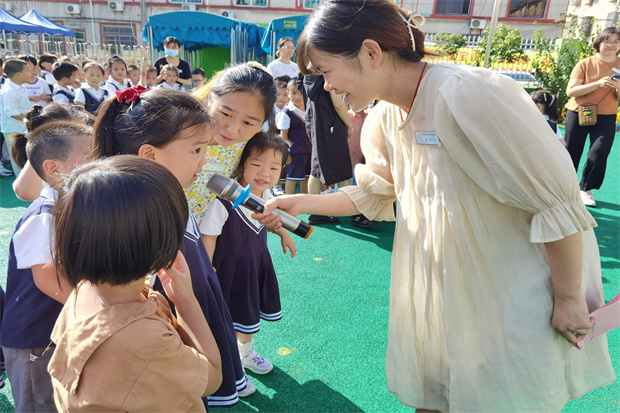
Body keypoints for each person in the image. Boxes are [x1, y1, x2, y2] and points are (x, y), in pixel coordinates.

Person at [255, 1, 616, 412]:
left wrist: (569, 297)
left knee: (499, 399)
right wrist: (300, 201)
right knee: (435, 395)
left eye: (325, 70)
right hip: (444, 288)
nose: (325, 85)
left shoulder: (469, 92)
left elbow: (556, 202)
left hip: (509, 287)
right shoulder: (385, 117)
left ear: (371, 53)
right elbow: (376, 192)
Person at [93, 87, 255, 406]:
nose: (204, 160)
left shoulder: (168, 192)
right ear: (150, 155)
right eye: (196, 150)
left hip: (191, 299)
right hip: (174, 318)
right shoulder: (138, 215)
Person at [48, 156, 222, 412]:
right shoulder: (141, 338)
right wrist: (185, 299)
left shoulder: (84, 289)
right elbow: (212, 378)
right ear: (161, 246)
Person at [2, 121, 91, 413]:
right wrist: (98, 310)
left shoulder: (68, 207)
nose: (101, 164)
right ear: (54, 169)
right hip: (35, 338)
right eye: (92, 157)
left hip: (55, 329)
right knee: (40, 404)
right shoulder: (44, 217)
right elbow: (48, 281)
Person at [201, 133, 295, 376]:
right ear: (242, 163)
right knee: (228, 315)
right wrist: (207, 268)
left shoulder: (268, 197)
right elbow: (209, 235)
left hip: (255, 264)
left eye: (274, 167)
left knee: (249, 311)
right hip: (228, 268)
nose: (265, 173)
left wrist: (283, 233)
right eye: (257, 164)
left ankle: (245, 352)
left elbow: (271, 220)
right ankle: (228, 359)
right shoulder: (224, 200)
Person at [187, 62, 277, 224]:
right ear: (211, 96)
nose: (232, 130)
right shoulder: (180, 130)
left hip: (207, 234)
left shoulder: (250, 143)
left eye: (248, 123)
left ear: (262, 122)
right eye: (226, 114)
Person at [565, 26, 620, 208]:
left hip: (607, 116)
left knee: (599, 152)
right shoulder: (585, 63)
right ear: (599, 43)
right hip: (578, 112)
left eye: (616, 41)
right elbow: (571, 91)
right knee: (570, 151)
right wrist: (597, 84)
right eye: (607, 41)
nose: (611, 45)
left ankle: (585, 188)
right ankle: (563, 187)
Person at [299, 74, 352, 225]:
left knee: (316, 167)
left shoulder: (306, 74)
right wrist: (349, 124)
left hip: (315, 124)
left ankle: (315, 212)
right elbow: (338, 103)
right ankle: (349, 210)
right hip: (331, 123)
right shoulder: (326, 73)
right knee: (342, 168)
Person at [11, 104, 87, 201]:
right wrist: (39, 148)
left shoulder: (87, 152)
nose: (85, 136)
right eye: (77, 132)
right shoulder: (44, 160)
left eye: (84, 130)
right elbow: (26, 193)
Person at [276, 78, 311, 194]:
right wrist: (287, 153)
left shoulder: (309, 109)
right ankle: (288, 198)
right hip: (295, 152)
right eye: (294, 93)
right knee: (292, 177)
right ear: (288, 93)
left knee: (306, 177)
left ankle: (304, 199)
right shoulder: (287, 112)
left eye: (301, 93)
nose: (298, 97)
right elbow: (283, 136)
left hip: (309, 150)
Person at [1, 59, 32, 176]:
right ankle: (21, 182)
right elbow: (13, 113)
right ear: (18, 74)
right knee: (18, 159)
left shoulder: (20, 87)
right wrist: (28, 120)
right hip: (13, 130)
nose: (31, 73)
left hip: (22, 127)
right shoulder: (9, 91)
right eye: (28, 71)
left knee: (25, 155)